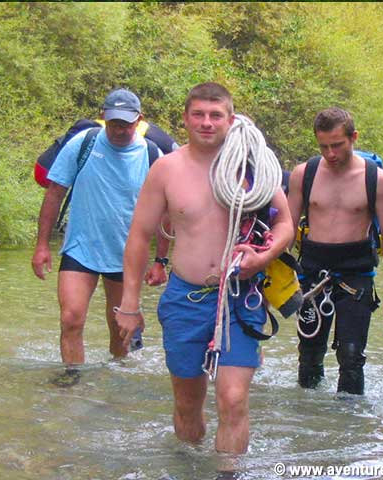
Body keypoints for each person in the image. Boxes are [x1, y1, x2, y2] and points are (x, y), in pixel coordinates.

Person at [115, 82, 294, 454]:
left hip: (239, 297)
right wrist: (129, 305)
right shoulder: (167, 169)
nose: (207, 123)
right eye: (198, 114)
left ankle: (228, 474)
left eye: (216, 115)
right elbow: (138, 236)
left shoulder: (252, 167)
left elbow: (285, 226)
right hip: (185, 296)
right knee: (187, 404)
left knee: (232, 399)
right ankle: (189, 466)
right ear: (185, 118)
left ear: (231, 119)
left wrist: (263, 257)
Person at [31, 88, 169, 386]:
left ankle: (117, 380)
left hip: (127, 254)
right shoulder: (84, 143)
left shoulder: (151, 155)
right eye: (114, 122)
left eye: (126, 124)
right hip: (81, 248)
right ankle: (73, 378)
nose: (119, 130)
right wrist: (42, 245)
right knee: (71, 318)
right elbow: (55, 193)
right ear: (103, 116)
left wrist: (161, 259)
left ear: (139, 120)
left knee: (120, 327)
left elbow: (164, 212)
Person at [287, 107, 383, 395]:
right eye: (323, 146)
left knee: (351, 357)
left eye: (337, 145)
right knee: (309, 354)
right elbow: (286, 230)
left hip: (356, 275)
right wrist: (274, 279)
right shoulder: (305, 174)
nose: (330, 153)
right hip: (312, 273)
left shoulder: (376, 180)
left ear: (354, 138)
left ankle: (349, 428)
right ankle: (307, 419)